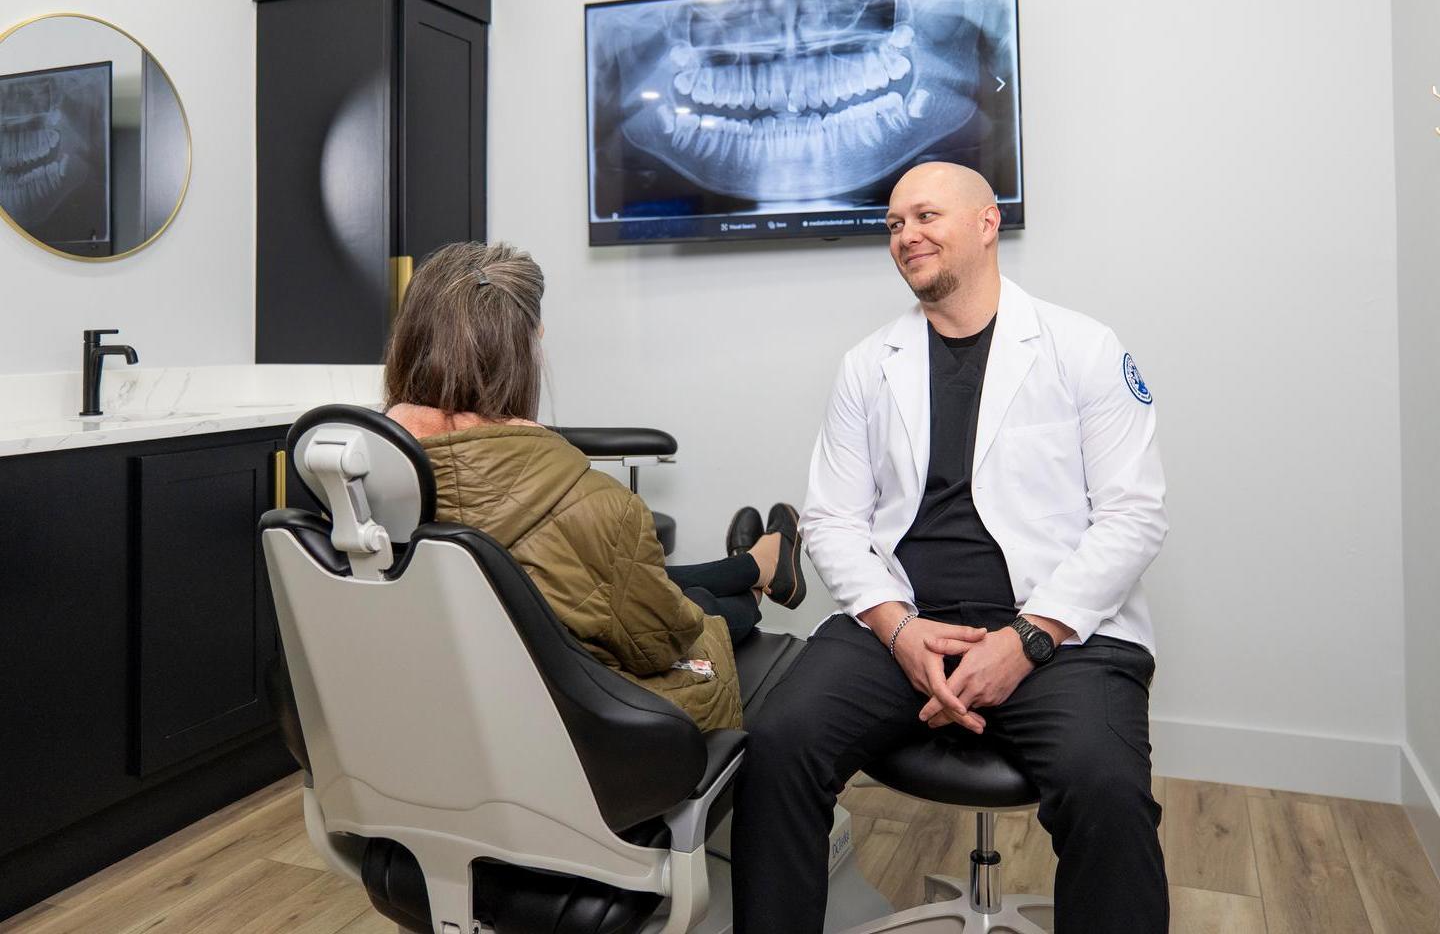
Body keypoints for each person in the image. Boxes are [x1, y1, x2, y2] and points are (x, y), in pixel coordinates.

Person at [731, 162, 1169, 932]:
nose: (906, 236)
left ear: (987, 222)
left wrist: (1028, 638)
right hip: (907, 621)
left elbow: (1134, 516)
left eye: (926, 216)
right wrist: (897, 627)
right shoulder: (869, 366)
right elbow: (831, 519)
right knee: (781, 740)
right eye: (895, 224)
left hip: (1060, 631)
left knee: (1103, 785)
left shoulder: (1083, 347)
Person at [382, 241, 806, 732]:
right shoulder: (597, 506)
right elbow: (660, 643)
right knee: (699, 611)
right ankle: (757, 577)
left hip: (433, 713)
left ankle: (755, 563)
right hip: (576, 725)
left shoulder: (364, 484)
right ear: (525, 351)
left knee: (639, 577)